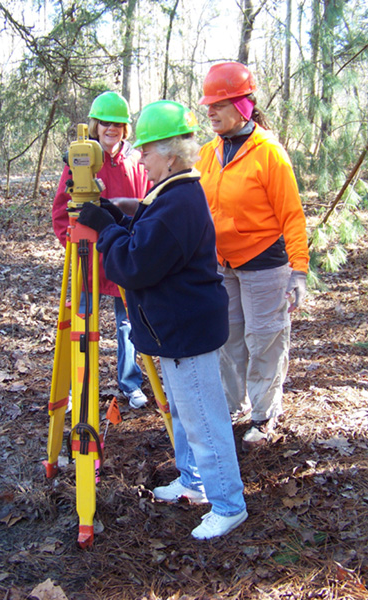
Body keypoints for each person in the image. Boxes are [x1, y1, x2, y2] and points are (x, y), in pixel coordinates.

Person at [76, 100, 247, 541]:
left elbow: (134, 264)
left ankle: (228, 504)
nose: (141, 159)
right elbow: (144, 233)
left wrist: (105, 229)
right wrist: (115, 215)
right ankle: (193, 482)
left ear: (169, 154)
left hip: (186, 331)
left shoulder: (179, 202)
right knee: (190, 418)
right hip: (177, 329)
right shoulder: (173, 194)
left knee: (205, 421)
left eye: (147, 151)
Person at [196, 62, 310, 451]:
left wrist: (299, 272)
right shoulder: (209, 153)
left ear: (243, 105)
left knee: (264, 339)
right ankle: (233, 405)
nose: (210, 111)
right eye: (208, 104)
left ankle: (264, 415)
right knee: (228, 339)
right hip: (223, 264)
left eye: (219, 104)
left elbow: (292, 215)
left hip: (264, 263)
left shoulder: (268, 154)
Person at [52, 91, 151, 409]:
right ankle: (77, 388)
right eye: (105, 123)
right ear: (95, 125)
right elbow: (60, 211)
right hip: (87, 258)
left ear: (125, 128)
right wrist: (73, 242)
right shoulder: (80, 160)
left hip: (124, 255)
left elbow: (146, 207)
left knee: (128, 322)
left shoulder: (135, 163)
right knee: (82, 320)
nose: (111, 129)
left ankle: (130, 383)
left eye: (118, 124)